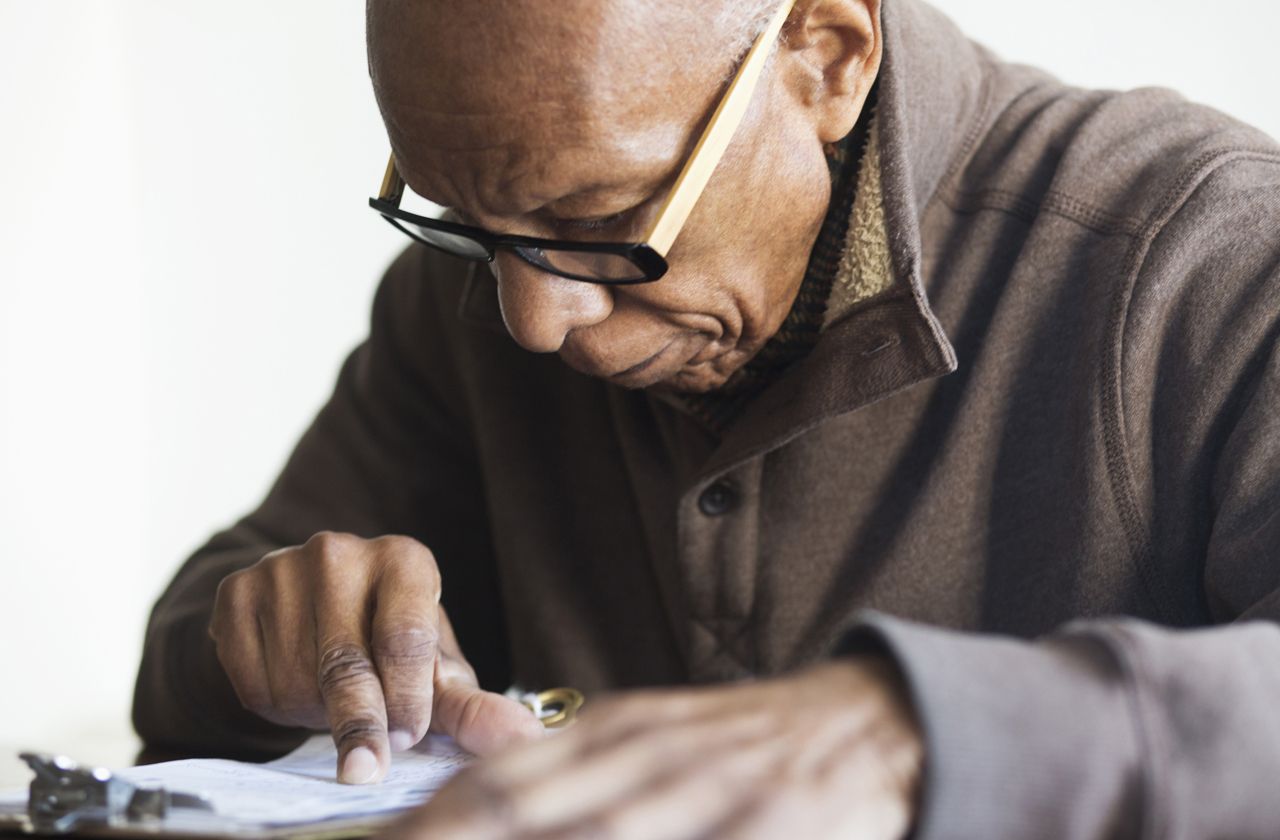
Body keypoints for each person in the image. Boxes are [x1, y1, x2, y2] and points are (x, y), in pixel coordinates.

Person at [133, 0, 1280, 836]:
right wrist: (268, 643)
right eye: (462, 215)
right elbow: (196, 645)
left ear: (825, 58)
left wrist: (906, 735)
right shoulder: (479, 284)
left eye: (602, 214)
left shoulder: (1198, 258)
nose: (534, 320)